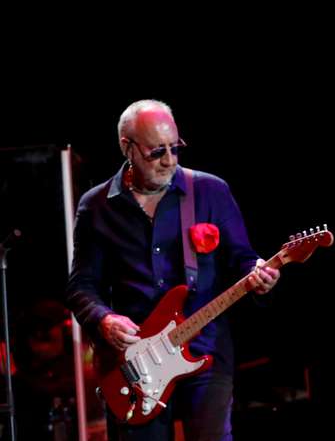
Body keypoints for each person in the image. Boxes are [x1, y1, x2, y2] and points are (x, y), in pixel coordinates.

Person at [65, 99, 280, 440]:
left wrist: (259, 274)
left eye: (174, 147)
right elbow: (81, 285)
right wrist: (104, 320)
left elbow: (242, 259)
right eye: (156, 152)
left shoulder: (210, 190)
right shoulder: (96, 206)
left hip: (205, 348)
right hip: (133, 364)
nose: (169, 160)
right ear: (127, 148)